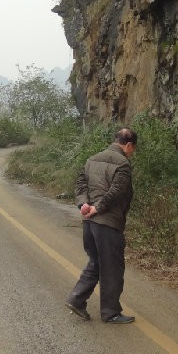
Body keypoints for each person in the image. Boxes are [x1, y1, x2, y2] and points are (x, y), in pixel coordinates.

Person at [65, 128, 138, 324]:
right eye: (133, 149)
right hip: (107, 223)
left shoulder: (92, 159)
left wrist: (84, 204)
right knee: (112, 268)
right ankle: (111, 312)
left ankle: (76, 299)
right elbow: (117, 192)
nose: (132, 153)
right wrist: (97, 208)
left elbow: (80, 184)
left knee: (96, 263)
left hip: (89, 223)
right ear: (129, 145)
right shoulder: (122, 164)